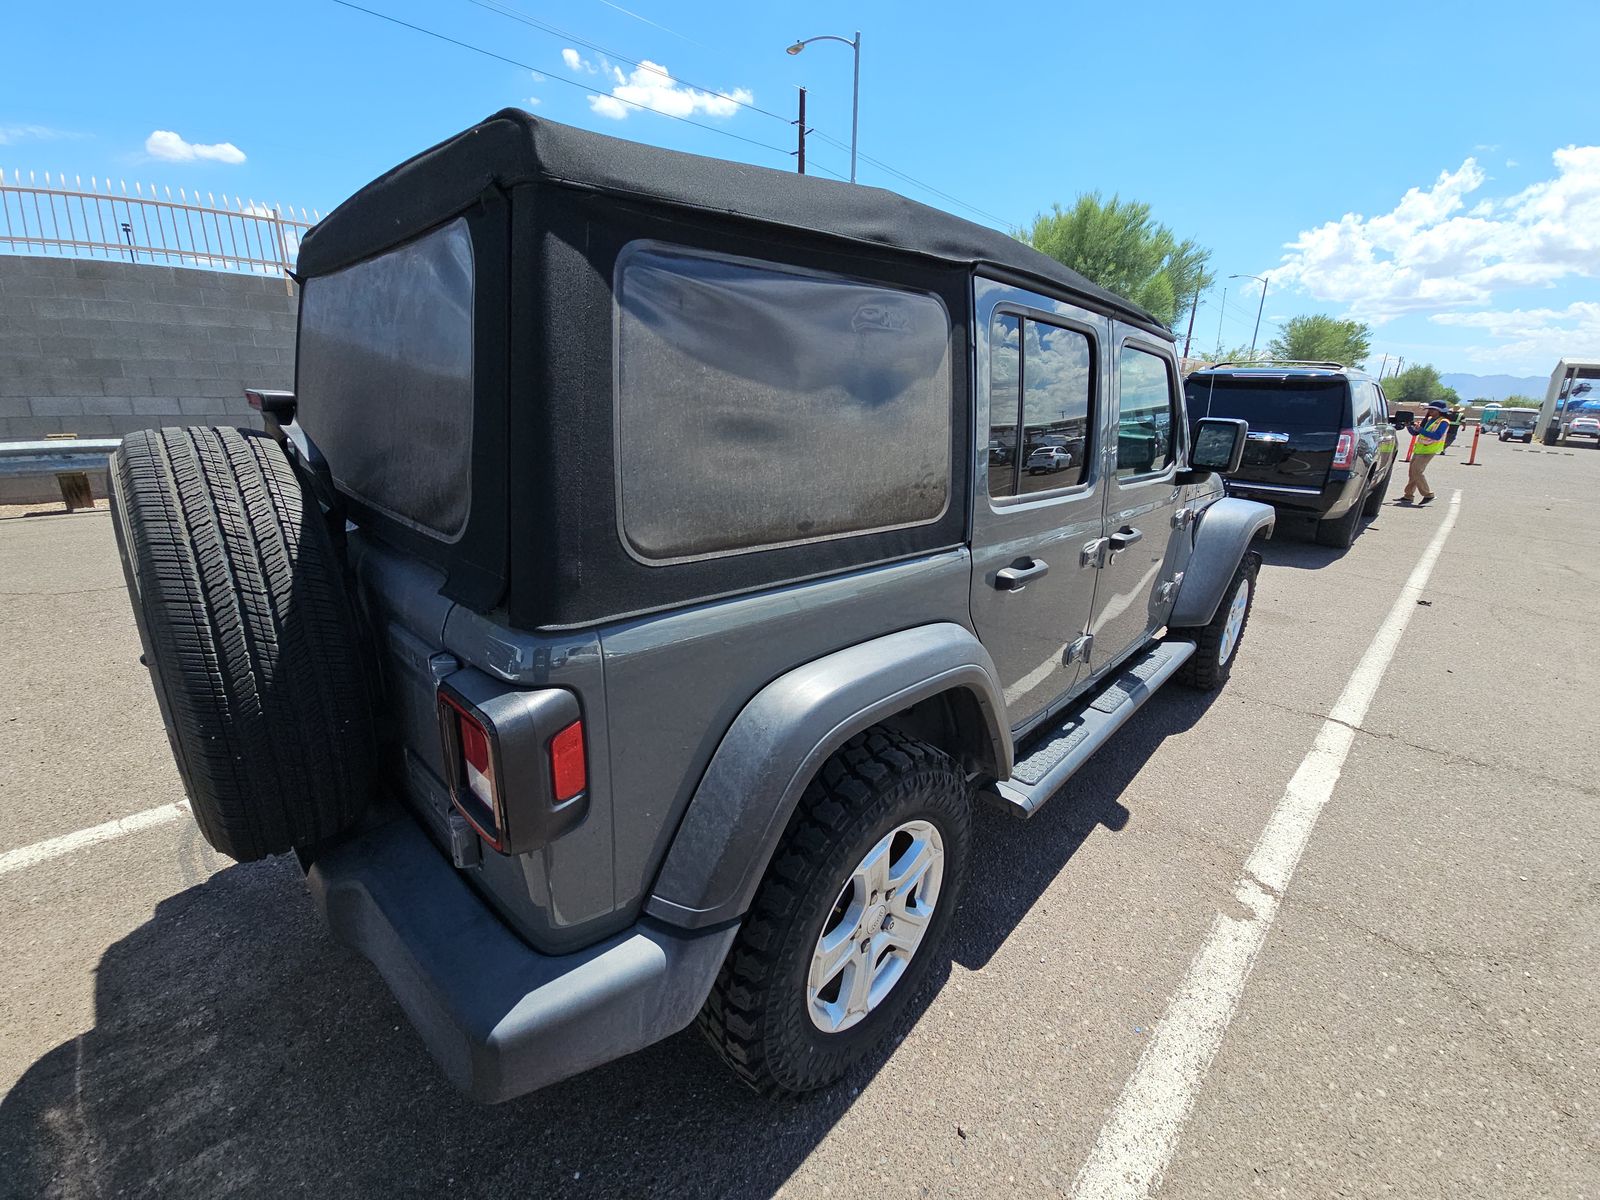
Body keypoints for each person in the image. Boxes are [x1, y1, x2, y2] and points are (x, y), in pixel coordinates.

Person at [1397, 400, 1450, 505]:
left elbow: (1437, 436)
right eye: (1429, 409)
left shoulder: (1443, 422)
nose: (1430, 411)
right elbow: (1415, 433)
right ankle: (1408, 495)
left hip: (1429, 450)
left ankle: (1428, 494)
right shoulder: (1429, 420)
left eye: (1433, 409)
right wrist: (1409, 426)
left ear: (1440, 411)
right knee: (1412, 473)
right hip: (1420, 449)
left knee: (1417, 472)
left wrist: (1420, 429)